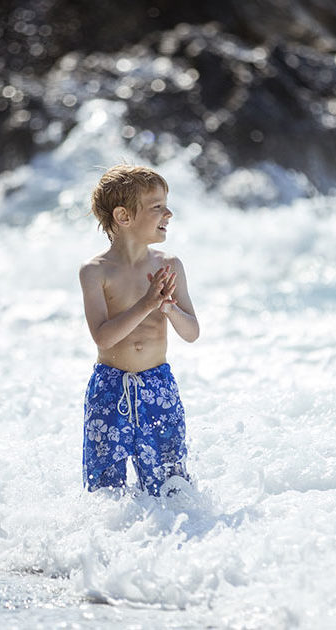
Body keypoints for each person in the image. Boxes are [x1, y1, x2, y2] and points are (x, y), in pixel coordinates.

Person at [78, 164, 200, 496]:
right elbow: (103, 337)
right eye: (157, 206)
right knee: (105, 494)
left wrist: (168, 307)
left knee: (171, 489)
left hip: (158, 387)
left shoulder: (169, 266)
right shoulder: (95, 272)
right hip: (109, 389)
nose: (169, 213)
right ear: (124, 216)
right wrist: (147, 303)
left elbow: (191, 332)